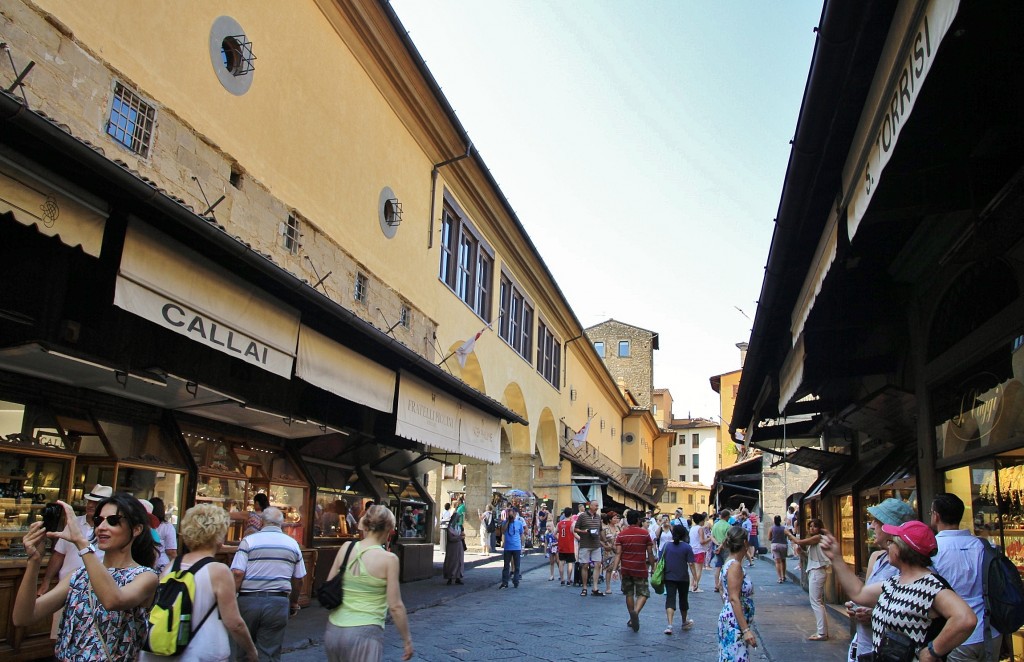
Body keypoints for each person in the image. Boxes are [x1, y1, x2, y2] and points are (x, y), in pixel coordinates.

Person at [14, 494, 160, 662]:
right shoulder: (79, 575)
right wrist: (34, 561)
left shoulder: (145, 576)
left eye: (113, 520)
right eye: (98, 520)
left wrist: (82, 543)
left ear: (136, 529)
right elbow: (22, 618)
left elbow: (113, 600)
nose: (102, 527)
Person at [820, 520, 977, 661]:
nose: (888, 547)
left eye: (892, 542)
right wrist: (836, 558)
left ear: (902, 549)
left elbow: (965, 618)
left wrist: (931, 652)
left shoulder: (930, 585)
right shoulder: (893, 583)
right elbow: (858, 593)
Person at [139, 504, 258, 662]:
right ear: (219, 536)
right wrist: (251, 651)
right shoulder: (219, 571)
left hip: (162, 649)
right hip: (202, 652)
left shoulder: (171, 566)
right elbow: (234, 622)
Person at [323, 505, 414, 662]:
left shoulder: (346, 547)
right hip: (365, 631)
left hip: (334, 630)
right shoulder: (389, 559)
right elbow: (395, 606)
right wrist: (407, 640)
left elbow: (329, 583)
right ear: (389, 529)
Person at [930, 492, 1001, 661]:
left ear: (936, 516)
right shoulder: (984, 545)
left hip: (954, 633)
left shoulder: (932, 550)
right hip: (991, 631)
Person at [231, 507, 306, 662]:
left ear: (262, 521)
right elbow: (299, 579)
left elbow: (237, 573)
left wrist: (232, 600)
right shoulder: (293, 544)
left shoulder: (248, 541)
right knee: (269, 652)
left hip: (248, 600)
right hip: (277, 602)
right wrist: (293, 603)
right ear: (282, 523)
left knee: (245, 650)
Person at [846, 498, 916, 662]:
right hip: (865, 645)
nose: (871, 526)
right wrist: (856, 607)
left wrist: (874, 614)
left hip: (889, 652)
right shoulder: (878, 558)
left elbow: (913, 611)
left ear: (890, 528)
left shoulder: (908, 566)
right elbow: (865, 595)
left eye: (876, 521)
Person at [37, 483, 110, 638]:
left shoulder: (109, 529)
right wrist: (46, 581)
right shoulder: (73, 522)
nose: (91, 505)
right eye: (90, 501)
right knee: (60, 634)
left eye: (96, 503)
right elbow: (59, 554)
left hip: (94, 592)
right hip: (66, 589)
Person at [785, 517, 830, 641]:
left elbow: (799, 542)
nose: (812, 528)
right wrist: (801, 553)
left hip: (817, 571)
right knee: (818, 602)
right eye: (810, 526)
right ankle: (823, 630)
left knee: (816, 602)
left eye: (815, 526)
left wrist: (789, 533)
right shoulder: (815, 541)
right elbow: (809, 557)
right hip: (814, 570)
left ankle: (822, 632)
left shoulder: (818, 538)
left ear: (819, 528)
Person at [718, 525, 757, 662]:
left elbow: (722, 590)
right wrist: (746, 630)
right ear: (745, 543)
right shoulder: (735, 566)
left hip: (733, 619)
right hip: (735, 623)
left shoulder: (728, 563)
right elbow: (734, 598)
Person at [613, 509, 656, 632]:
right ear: (638, 520)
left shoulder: (621, 535)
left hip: (626, 568)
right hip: (640, 568)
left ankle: (632, 616)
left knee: (629, 593)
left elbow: (618, 554)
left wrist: (615, 569)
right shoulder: (644, 534)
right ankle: (635, 613)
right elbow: (650, 552)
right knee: (644, 593)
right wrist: (653, 566)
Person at [661, 524, 695, 635]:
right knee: (683, 599)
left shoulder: (666, 546)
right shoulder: (687, 547)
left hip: (669, 576)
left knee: (670, 599)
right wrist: (695, 578)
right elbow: (691, 563)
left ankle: (669, 625)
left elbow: (661, 560)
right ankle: (684, 621)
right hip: (683, 577)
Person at [574, 499, 604, 596]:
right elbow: (576, 529)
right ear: (590, 506)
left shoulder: (598, 517)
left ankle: (595, 588)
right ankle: (585, 588)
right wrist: (584, 531)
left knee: (598, 564)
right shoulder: (582, 516)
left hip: (596, 544)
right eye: (595, 505)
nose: (597, 507)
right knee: (585, 566)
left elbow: (600, 530)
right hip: (585, 544)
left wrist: (605, 541)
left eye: (597, 505)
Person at [149, 497, 178, 574]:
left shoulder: (143, 525)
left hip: (144, 562)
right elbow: (171, 551)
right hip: (161, 565)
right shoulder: (167, 527)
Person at [499, 506, 525, 589]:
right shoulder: (505, 522)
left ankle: (516, 581)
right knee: (506, 566)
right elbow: (503, 531)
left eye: (512, 514)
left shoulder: (519, 523)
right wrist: (508, 521)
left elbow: (521, 534)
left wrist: (522, 546)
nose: (511, 516)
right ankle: (505, 582)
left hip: (517, 547)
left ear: (515, 514)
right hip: (508, 547)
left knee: (517, 566)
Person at [443, 502, 464, 585]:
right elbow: (451, 538)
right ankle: (450, 577)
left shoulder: (459, 526)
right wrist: (459, 537)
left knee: (459, 562)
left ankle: (458, 577)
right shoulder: (450, 527)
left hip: (459, 547)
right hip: (452, 547)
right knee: (452, 562)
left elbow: (462, 533)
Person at [711, 509, 732, 593]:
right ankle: (723, 584)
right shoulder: (728, 526)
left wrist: (717, 544)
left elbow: (712, 536)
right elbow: (726, 538)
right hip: (725, 548)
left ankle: (716, 585)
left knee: (718, 567)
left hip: (717, 547)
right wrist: (721, 546)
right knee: (727, 566)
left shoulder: (715, 525)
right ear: (726, 517)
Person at [689, 512, 709, 592]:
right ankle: (696, 586)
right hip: (699, 550)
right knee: (698, 570)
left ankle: (691, 586)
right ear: (701, 521)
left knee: (692, 569)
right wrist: (709, 538)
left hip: (692, 550)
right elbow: (702, 541)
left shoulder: (692, 528)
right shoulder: (700, 529)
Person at [556, 506, 576, 585]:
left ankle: (562, 579)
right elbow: (574, 533)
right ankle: (568, 579)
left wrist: (559, 538)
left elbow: (554, 533)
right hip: (569, 546)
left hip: (561, 545)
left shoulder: (559, 523)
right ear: (571, 514)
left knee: (561, 562)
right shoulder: (572, 523)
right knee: (570, 563)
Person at [601, 511, 620, 590]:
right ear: (609, 519)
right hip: (609, 551)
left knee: (621, 569)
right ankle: (608, 587)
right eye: (614, 518)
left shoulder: (618, 527)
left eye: (617, 518)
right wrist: (605, 545)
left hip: (618, 550)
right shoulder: (605, 528)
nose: (616, 519)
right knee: (609, 569)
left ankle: (623, 587)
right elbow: (600, 539)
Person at [768, 515, 788, 584]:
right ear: (780, 521)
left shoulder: (772, 528)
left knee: (777, 562)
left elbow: (769, 538)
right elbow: (786, 535)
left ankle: (779, 578)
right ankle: (783, 576)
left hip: (775, 545)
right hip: (783, 545)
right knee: (783, 560)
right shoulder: (784, 528)